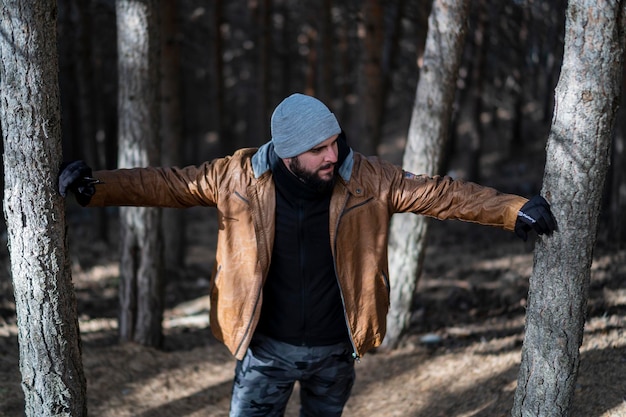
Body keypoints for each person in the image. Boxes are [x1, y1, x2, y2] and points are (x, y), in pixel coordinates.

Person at [59, 93, 556, 416]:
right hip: (264, 353)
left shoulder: (369, 180)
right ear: (288, 152)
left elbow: (443, 194)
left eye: (335, 142)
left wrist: (513, 210)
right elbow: (166, 184)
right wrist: (95, 186)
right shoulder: (236, 178)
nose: (333, 156)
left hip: (335, 353)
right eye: (318, 149)